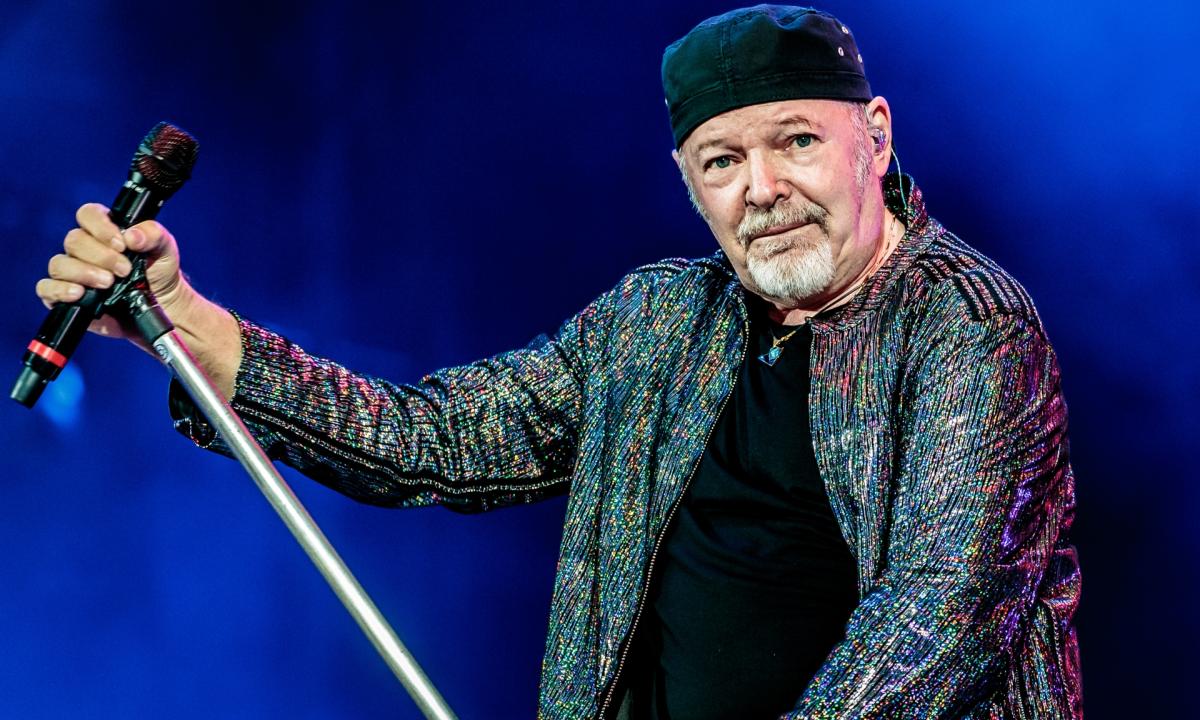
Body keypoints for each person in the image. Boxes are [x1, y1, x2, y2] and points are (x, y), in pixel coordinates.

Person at [35, 6, 1081, 719]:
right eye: (723, 161)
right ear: (689, 183)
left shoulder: (967, 326)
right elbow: (436, 440)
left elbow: (938, 616)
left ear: (875, 137)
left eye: (796, 141)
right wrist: (188, 318)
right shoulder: (656, 320)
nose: (762, 188)